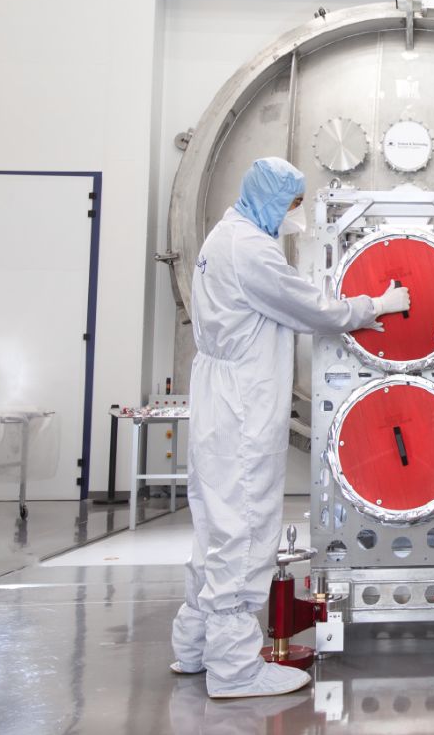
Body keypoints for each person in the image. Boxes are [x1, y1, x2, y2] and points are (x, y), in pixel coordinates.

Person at [170, 158, 410, 698]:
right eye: (291, 203)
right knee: (246, 525)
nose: (293, 215)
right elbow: (309, 305)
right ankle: (234, 669)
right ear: (270, 199)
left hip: (218, 395)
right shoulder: (251, 249)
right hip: (243, 404)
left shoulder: (222, 236)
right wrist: (375, 305)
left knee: (214, 525)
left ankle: (193, 645)